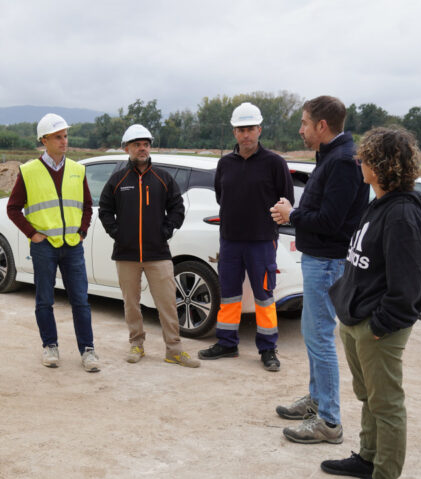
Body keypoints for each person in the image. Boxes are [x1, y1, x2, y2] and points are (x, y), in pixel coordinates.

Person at [323, 127, 421, 479]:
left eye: (366, 157)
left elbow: (407, 286)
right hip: (357, 317)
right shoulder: (381, 202)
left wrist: (379, 327)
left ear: (384, 165)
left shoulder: (403, 215)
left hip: (377, 326)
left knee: (386, 403)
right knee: (367, 396)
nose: (359, 162)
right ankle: (367, 457)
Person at [270, 96, 369, 443]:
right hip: (321, 259)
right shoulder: (333, 156)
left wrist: (291, 215)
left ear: (322, 126)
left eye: (304, 123)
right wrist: (294, 210)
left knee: (320, 339)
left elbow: (330, 221)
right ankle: (316, 401)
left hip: (327, 262)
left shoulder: (342, 161)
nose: (300, 129)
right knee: (315, 338)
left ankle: (328, 420)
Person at [198, 102, 294, 371]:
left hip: (262, 241)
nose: (246, 135)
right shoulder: (225, 164)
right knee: (228, 294)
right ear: (234, 132)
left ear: (259, 129)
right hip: (230, 240)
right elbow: (221, 196)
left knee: (264, 295)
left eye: (250, 129)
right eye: (241, 129)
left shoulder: (274, 163)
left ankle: (268, 349)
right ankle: (227, 343)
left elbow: (286, 200)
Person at [6, 113, 100, 372]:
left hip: (72, 245)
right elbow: (13, 209)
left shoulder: (77, 170)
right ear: (44, 140)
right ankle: (50, 346)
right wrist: (32, 234)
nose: (64, 141)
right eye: (58, 137)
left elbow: (87, 206)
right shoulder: (29, 171)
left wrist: (82, 231)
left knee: (80, 299)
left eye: (65, 136)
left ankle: (88, 350)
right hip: (44, 247)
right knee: (44, 299)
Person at [98, 124, 197, 368]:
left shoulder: (162, 178)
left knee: (167, 303)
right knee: (131, 304)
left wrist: (166, 230)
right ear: (127, 149)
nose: (142, 149)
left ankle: (174, 349)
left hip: (158, 253)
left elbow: (177, 208)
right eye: (136, 145)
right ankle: (136, 344)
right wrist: (117, 234)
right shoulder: (117, 179)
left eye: (145, 144)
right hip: (126, 253)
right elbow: (105, 210)